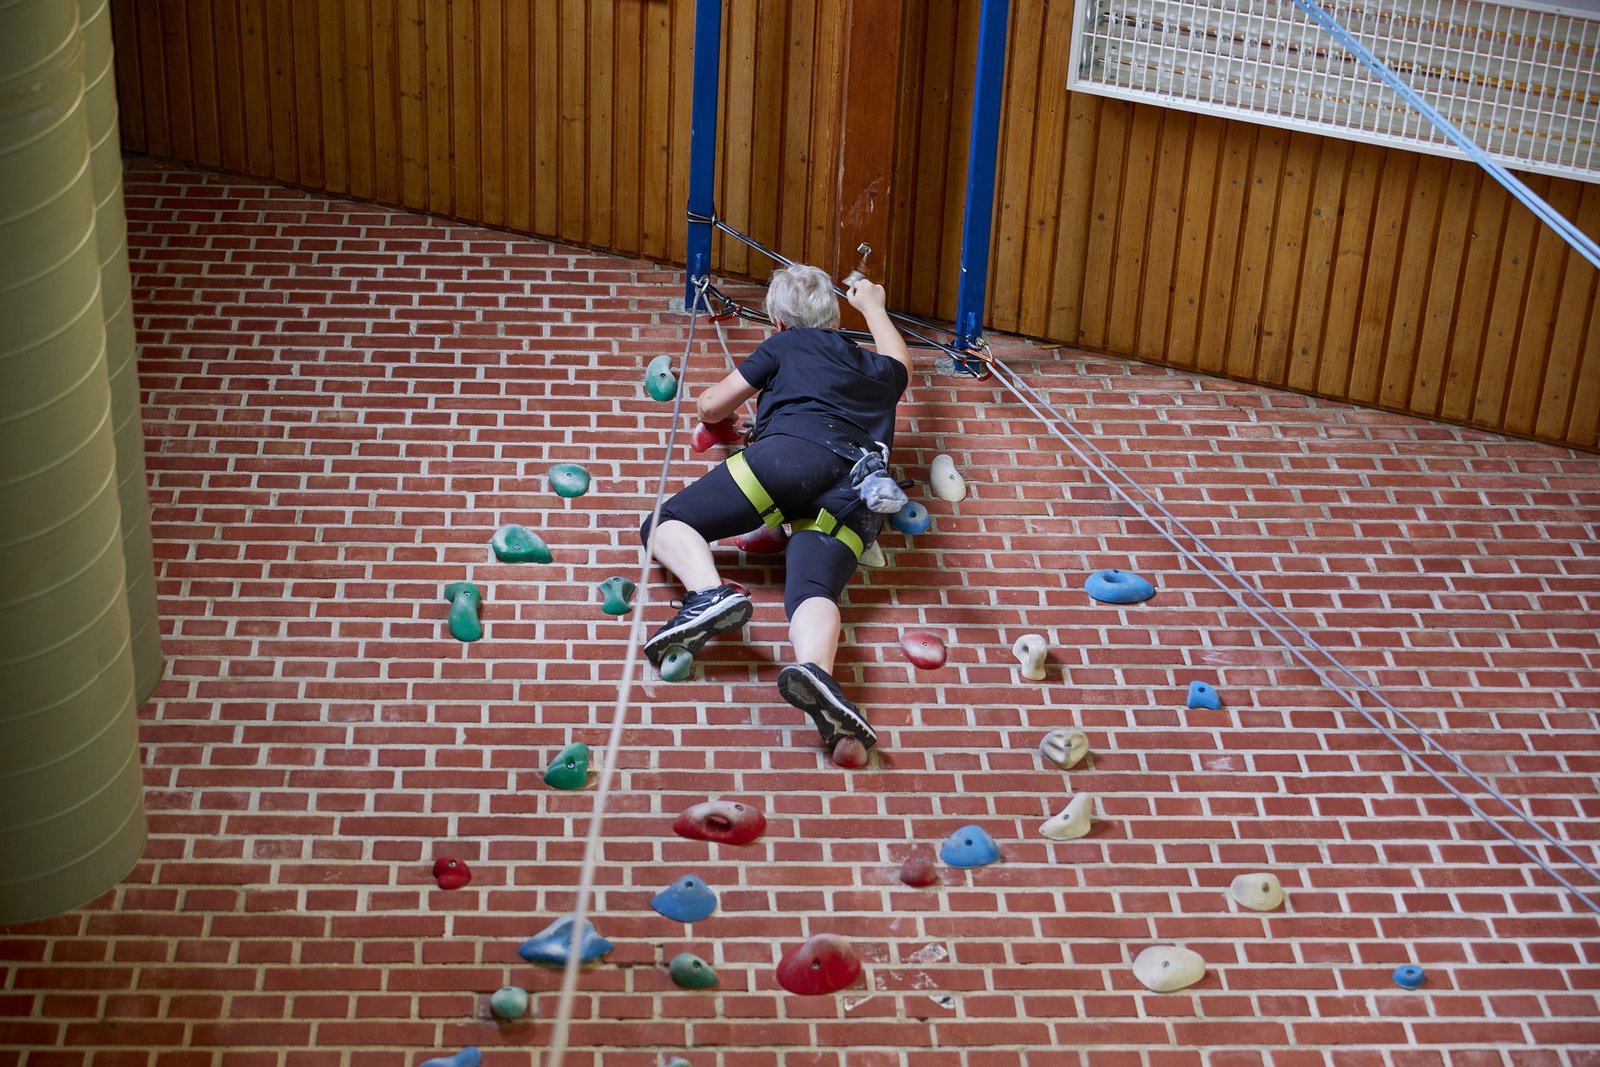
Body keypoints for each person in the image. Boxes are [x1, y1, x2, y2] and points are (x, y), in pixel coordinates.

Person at [638, 263, 911, 750]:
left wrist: (714, 404)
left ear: (779, 322)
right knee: (811, 588)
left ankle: (707, 594)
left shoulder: (787, 343)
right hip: (857, 492)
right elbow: (901, 366)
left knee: (666, 521)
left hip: (793, 455)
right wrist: (873, 308)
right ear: (833, 318)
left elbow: (711, 407)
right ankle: (816, 671)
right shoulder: (873, 369)